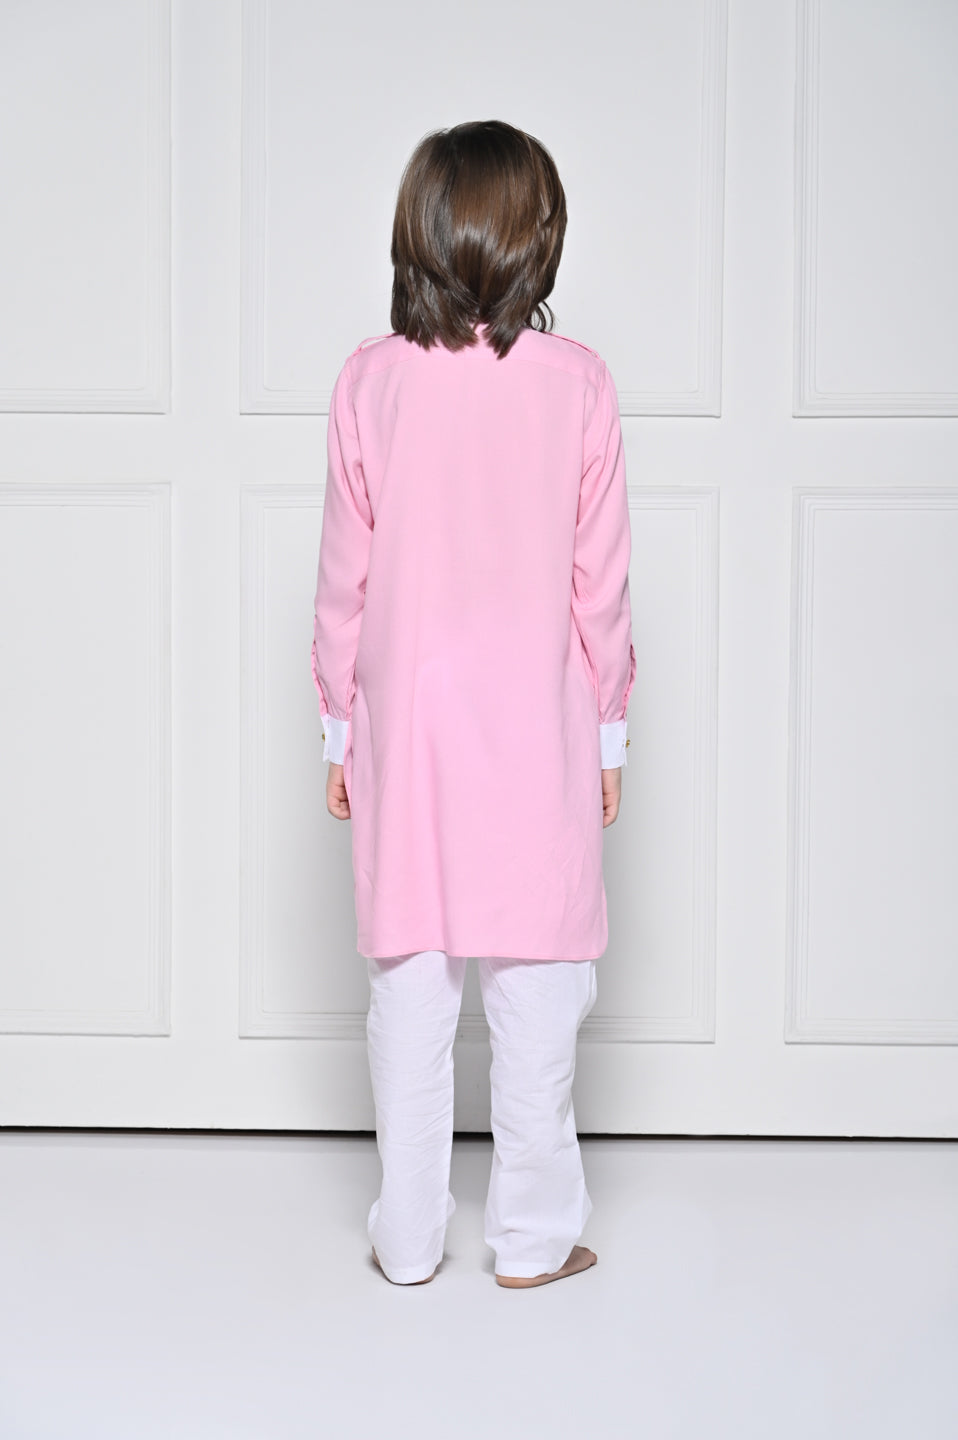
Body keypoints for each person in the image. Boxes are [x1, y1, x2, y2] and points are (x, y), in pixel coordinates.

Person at [310, 119, 636, 1288]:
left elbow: (343, 580)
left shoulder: (370, 382)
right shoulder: (577, 385)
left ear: (421, 234)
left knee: (408, 986)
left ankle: (406, 1240)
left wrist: (337, 728)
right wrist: (608, 734)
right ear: (537, 240)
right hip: (538, 728)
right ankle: (532, 1243)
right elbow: (600, 585)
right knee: (539, 983)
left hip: (407, 730)